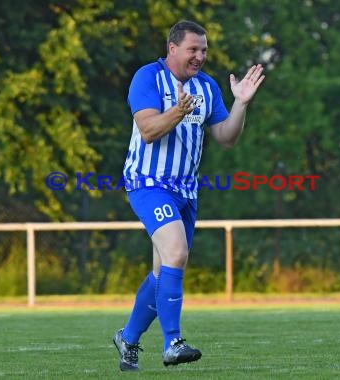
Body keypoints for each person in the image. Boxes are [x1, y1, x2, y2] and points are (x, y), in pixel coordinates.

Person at [113, 20, 265, 371]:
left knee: (162, 271)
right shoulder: (147, 78)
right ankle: (173, 342)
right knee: (177, 252)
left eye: (204, 50)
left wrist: (241, 103)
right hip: (148, 183)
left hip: (186, 191)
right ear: (172, 48)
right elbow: (149, 130)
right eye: (193, 49)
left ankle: (128, 339)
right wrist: (178, 112)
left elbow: (227, 137)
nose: (200, 56)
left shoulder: (207, 86)